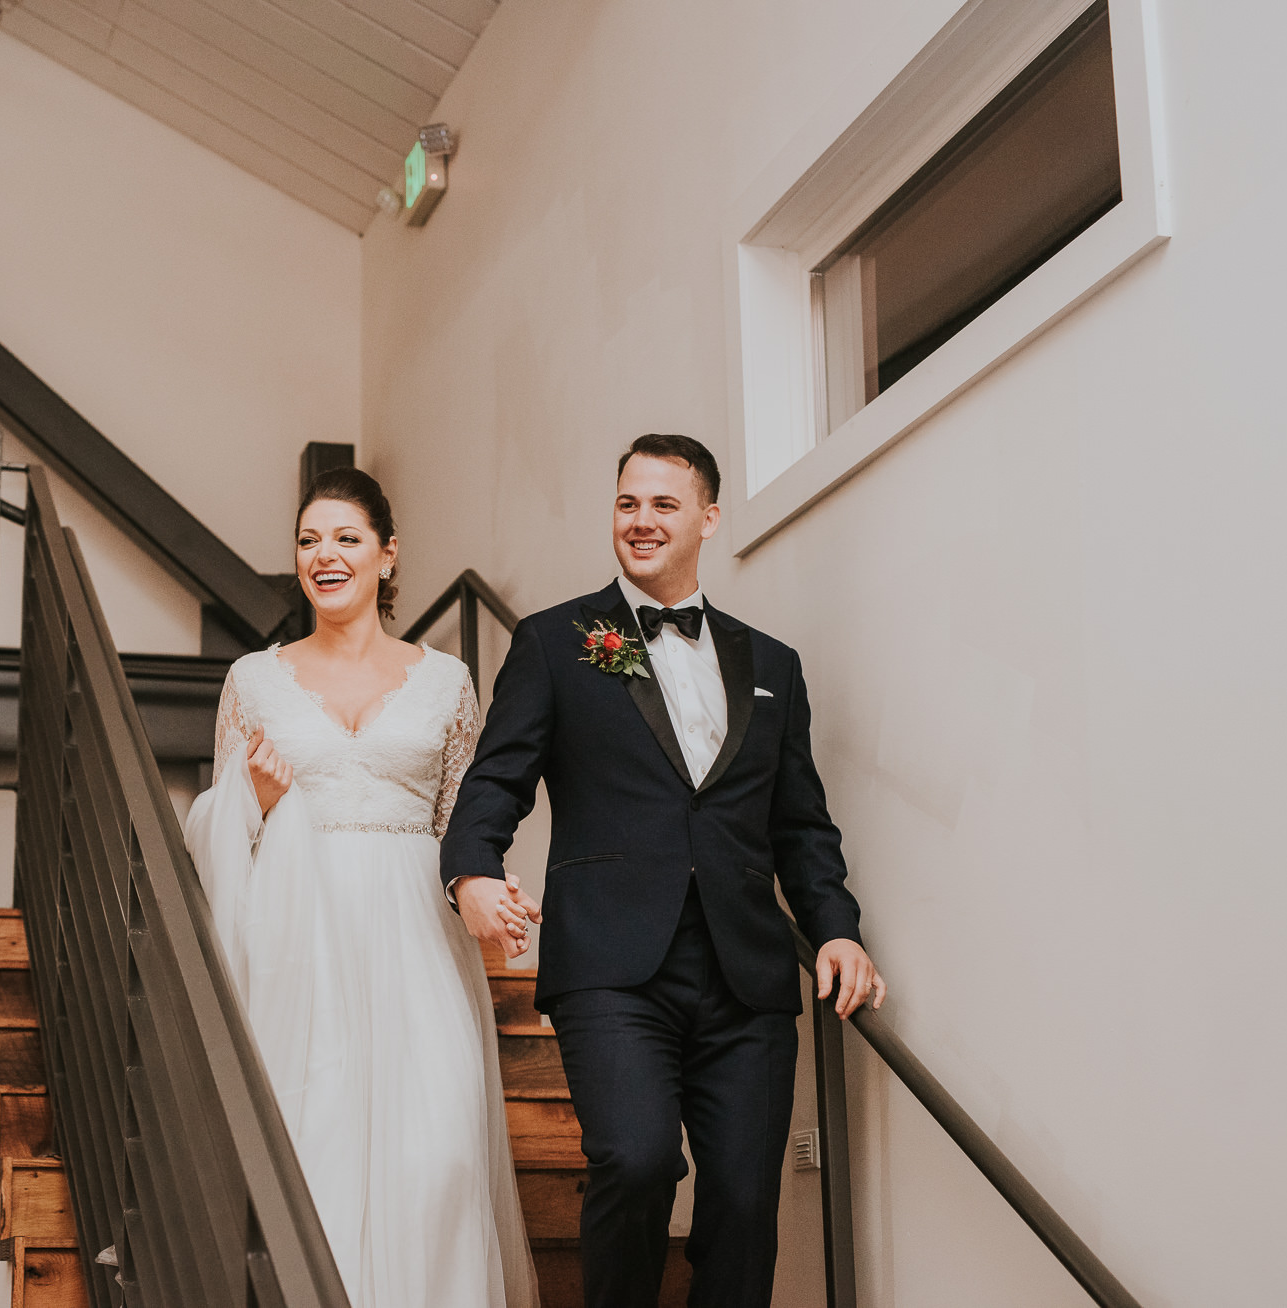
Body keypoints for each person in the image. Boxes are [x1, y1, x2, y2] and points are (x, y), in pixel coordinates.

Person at [441, 434, 886, 1308]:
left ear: (709, 519)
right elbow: (495, 780)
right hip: (611, 966)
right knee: (638, 1161)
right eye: (627, 504)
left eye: (663, 505)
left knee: (747, 1201)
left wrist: (836, 928)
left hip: (746, 973)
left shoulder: (774, 667)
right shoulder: (556, 642)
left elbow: (800, 822)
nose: (640, 522)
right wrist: (472, 872)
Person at [185, 467, 540, 1308]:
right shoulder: (253, 679)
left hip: (416, 932)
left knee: (441, 1155)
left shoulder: (447, 682)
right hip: (297, 937)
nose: (325, 555)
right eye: (309, 540)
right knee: (316, 1151)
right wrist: (253, 798)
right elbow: (210, 833)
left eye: (346, 537)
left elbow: (467, 823)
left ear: (387, 554)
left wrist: (486, 887)